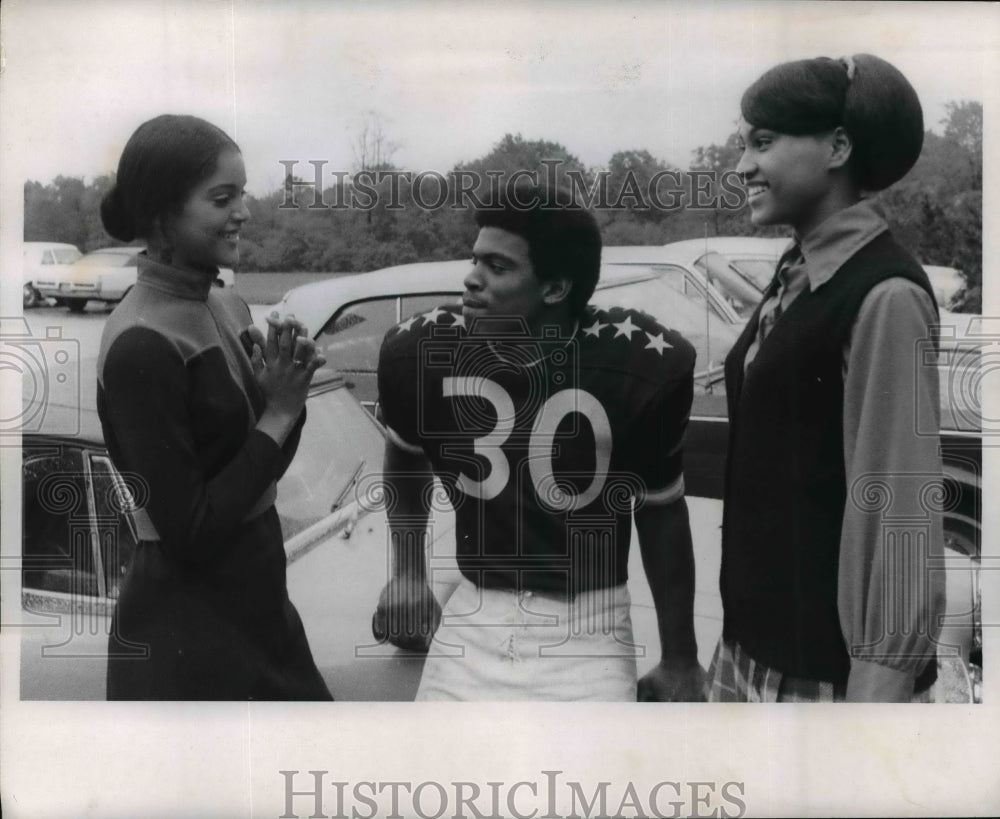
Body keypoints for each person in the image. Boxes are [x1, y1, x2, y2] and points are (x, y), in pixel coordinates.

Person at [372, 180, 705, 700]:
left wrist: (681, 656)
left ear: (555, 288)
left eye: (498, 267)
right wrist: (409, 572)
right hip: (474, 609)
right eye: (475, 259)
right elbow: (406, 453)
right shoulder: (421, 349)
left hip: (586, 623)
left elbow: (661, 511)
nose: (471, 279)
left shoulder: (637, 361)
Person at [708, 54, 946, 702]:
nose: (742, 165)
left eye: (763, 142)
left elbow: (899, 509)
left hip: (827, 681)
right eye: (742, 142)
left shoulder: (884, 295)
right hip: (751, 652)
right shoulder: (800, 272)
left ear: (838, 146)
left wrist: (879, 688)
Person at [97, 114, 332, 700]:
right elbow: (193, 534)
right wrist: (277, 413)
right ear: (160, 217)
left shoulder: (226, 303)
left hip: (262, 609)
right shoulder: (141, 343)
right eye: (222, 198)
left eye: (242, 194)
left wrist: (289, 391)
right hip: (184, 635)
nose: (244, 212)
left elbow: (266, 466)